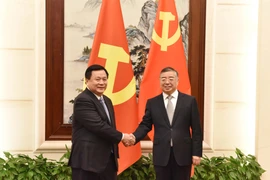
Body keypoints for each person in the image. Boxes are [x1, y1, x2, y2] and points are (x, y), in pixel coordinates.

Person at [129, 67, 203, 180]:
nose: (167, 82)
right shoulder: (152, 103)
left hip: (183, 153)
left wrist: (196, 153)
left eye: (171, 78)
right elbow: (145, 125)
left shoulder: (189, 101)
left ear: (177, 81)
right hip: (161, 154)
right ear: (159, 81)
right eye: (163, 79)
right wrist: (134, 137)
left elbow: (197, 129)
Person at [68, 64, 133, 180]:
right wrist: (123, 137)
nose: (102, 83)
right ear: (87, 81)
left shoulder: (107, 100)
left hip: (107, 161)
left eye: (104, 79)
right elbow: (98, 126)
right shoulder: (83, 100)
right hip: (87, 162)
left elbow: (110, 126)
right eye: (97, 79)